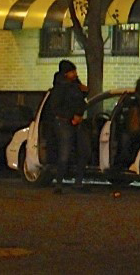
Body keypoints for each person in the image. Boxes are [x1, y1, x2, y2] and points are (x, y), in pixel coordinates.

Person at [45, 59, 89, 193]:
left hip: (77, 121)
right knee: (64, 152)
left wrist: (84, 92)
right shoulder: (60, 87)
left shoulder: (75, 85)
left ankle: (78, 182)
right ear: (65, 73)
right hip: (64, 122)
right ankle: (58, 183)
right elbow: (56, 107)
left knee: (83, 150)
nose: (75, 73)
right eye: (72, 71)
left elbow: (80, 101)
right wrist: (72, 116)